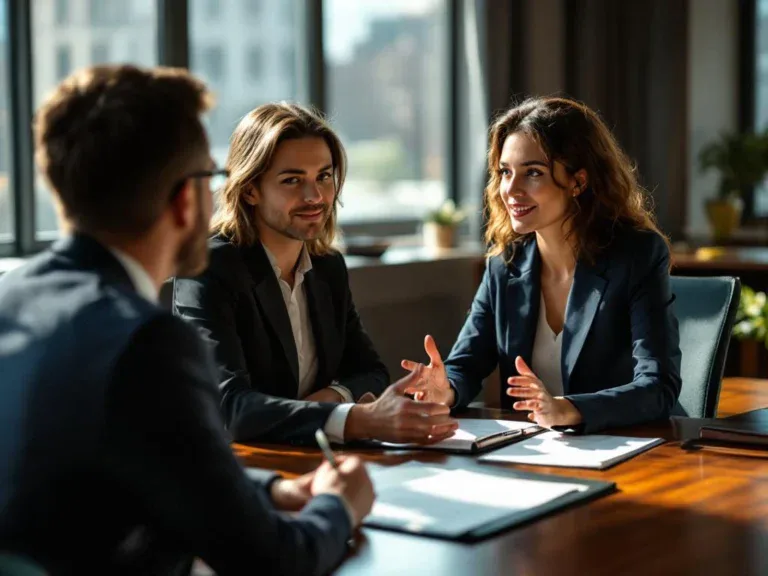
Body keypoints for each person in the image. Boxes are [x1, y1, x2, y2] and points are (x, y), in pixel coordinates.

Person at [0, 65, 378, 575]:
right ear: (184, 199)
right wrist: (340, 503)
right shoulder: (146, 342)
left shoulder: (12, 298)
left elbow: (149, 466)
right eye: (212, 176)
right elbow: (274, 561)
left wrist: (272, 488)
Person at [172, 102, 458, 446]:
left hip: (316, 454)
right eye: (292, 180)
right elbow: (229, 409)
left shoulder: (327, 267)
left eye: (324, 176)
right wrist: (355, 418)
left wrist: (331, 401)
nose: (315, 196)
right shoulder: (207, 269)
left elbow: (371, 373)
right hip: (244, 468)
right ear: (250, 189)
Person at [402, 96, 682, 433]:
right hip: (533, 454)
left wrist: (567, 409)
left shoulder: (637, 255)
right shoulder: (505, 265)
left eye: (533, 173)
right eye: (505, 172)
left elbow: (658, 387)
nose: (511, 190)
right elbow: (466, 364)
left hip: (629, 449)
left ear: (578, 181)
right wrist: (445, 389)